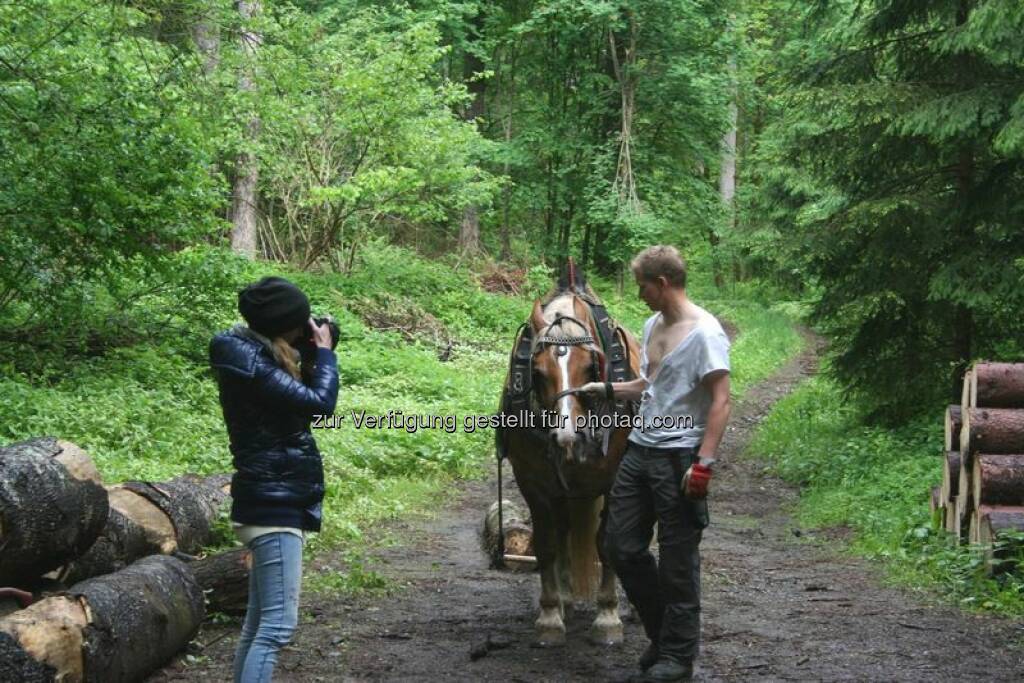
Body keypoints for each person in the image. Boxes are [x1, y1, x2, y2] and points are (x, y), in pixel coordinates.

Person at [581, 245, 731, 682]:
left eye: (642, 285)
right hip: (641, 449)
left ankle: (677, 658)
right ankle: (665, 640)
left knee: (677, 562)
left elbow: (721, 401)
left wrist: (704, 464)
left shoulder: (706, 334)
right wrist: (608, 391)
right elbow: (651, 384)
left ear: (662, 283)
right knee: (618, 545)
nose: (639, 294)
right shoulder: (651, 324)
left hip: (681, 457)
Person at [209, 276, 339, 683]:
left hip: (265, 501)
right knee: (277, 628)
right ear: (284, 324)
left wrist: (314, 351)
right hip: (274, 507)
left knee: (257, 624)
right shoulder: (255, 366)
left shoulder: (251, 357)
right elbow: (319, 404)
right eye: (299, 323)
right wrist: (327, 355)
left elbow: (293, 391)